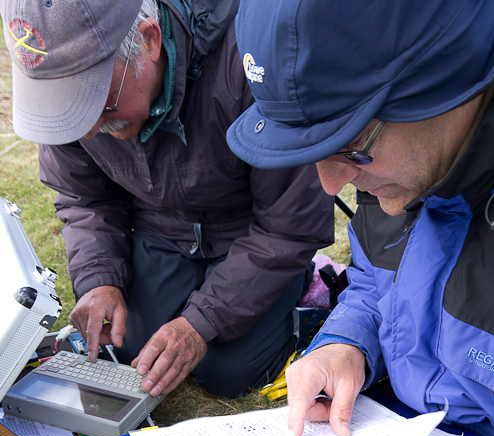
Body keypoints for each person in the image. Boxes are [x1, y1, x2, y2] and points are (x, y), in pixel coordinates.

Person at [1, 1, 493, 436]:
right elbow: (377, 280)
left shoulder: (396, 156)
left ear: (446, 86)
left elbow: (291, 227)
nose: (330, 182)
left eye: (352, 148)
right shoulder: (404, 166)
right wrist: (348, 340)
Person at [1, 0, 334, 399]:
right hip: (161, 230)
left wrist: (200, 323)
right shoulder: (76, 118)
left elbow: (288, 226)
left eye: (97, 101)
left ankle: (309, 290)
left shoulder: (255, 57)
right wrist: (100, 280)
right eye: (69, 108)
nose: (87, 131)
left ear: (150, 41)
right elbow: (85, 199)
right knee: (124, 348)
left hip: (249, 233)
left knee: (228, 372)